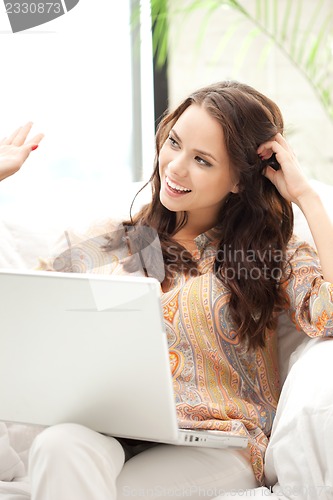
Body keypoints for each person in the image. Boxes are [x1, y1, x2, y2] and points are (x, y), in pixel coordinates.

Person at [1, 81, 333, 499]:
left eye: (202, 160)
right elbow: (23, 306)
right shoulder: (115, 242)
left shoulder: (268, 254)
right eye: (174, 142)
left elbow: (330, 313)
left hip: (216, 443)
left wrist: (306, 196)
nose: (175, 167)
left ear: (238, 180)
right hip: (112, 430)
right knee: (57, 445)